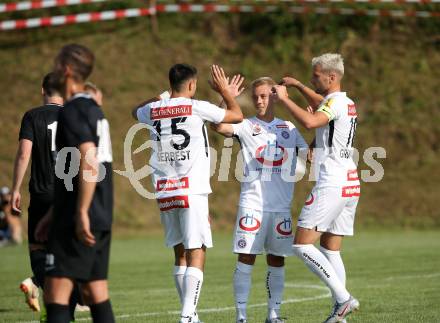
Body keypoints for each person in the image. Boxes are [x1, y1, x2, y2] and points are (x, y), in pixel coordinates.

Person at [132, 63, 243, 323]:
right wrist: (226, 93)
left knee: (180, 252)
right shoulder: (196, 106)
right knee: (197, 249)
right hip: (191, 189)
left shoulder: (154, 109)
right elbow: (236, 115)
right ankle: (187, 315)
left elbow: (133, 110)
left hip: (164, 189)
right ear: (192, 85)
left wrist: (163, 96)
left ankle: (190, 316)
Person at [212, 77, 308, 323]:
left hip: (281, 209)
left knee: (277, 261)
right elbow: (218, 126)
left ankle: (273, 315)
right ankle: (241, 317)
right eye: (255, 97)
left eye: (264, 96)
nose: (259, 101)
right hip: (252, 206)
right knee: (246, 258)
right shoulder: (245, 125)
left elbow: (309, 156)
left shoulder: (289, 128)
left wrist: (321, 130)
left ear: (274, 97)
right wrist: (225, 97)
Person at [273, 53, 360, 323]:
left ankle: (344, 299)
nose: (314, 78)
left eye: (316, 75)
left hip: (332, 182)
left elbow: (312, 121)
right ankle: (340, 314)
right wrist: (299, 86)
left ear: (331, 77)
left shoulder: (334, 103)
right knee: (330, 248)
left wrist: (286, 98)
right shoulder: (346, 101)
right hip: (350, 181)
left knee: (301, 245)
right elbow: (320, 105)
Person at [44, 44, 115, 323]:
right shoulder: (95, 111)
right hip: (100, 213)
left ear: (67, 69)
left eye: (56, 63)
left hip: (80, 216)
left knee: (56, 292)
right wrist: (54, 211)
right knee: (95, 289)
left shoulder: (72, 110)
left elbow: (88, 160)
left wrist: (80, 211)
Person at [11, 73, 63, 316]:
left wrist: (15, 189)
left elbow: (24, 154)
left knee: (37, 248)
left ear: (43, 90)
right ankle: (39, 285)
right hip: (68, 193)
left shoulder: (32, 116)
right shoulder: (74, 116)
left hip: (41, 193)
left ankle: (37, 283)